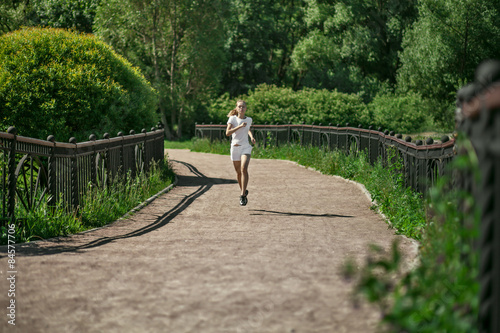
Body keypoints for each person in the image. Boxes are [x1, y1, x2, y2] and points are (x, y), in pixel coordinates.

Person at [226, 100, 256, 206]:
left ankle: (243, 195)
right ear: (236, 108)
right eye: (239, 106)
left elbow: (247, 129)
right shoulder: (232, 119)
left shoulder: (249, 119)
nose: (241, 108)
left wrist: (251, 137)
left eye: (243, 106)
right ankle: (243, 190)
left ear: (246, 108)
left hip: (245, 147)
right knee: (238, 173)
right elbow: (227, 133)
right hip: (235, 148)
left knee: (244, 168)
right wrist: (239, 126)